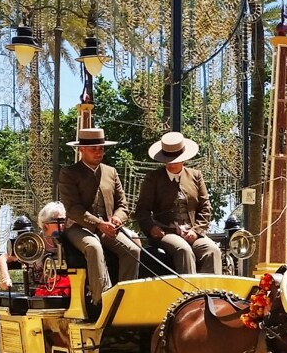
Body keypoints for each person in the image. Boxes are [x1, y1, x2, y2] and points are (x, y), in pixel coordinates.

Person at [58, 128, 141, 308]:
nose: (98, 152)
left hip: (109, 227)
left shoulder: (111, 172)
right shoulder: (69, 173)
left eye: (101, 149)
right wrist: (98, 224)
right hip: (78, 228)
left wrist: (118, 218)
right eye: (94, 149)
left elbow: (123, 205)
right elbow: (72, 208)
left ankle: (126, 299)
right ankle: (102, 300)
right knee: (94, 247)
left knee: (133, 250)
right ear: (81, 150)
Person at [135, 132, 221, 274]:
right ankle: (190, 294)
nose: (172, 162)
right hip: (166, 233)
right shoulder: (153, 178)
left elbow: (205, 208)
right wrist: (152, 228)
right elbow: (142, 210)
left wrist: (196, 231)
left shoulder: (196, 176)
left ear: (183, 158)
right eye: (168, 159)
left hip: (193, 232)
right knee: (183, 249)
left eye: (176, 159)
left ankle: (212, 293)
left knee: (212, 250)